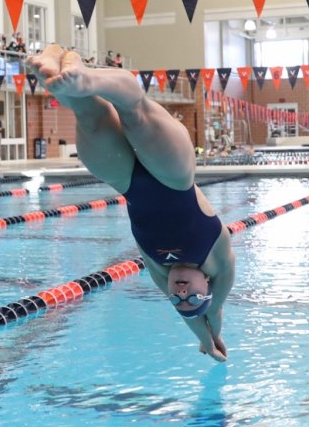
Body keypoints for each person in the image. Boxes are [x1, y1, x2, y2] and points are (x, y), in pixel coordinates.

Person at [30, 44, 236, 362]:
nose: (181, 293)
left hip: (126, 181)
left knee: (91, 118)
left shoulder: (159, 270)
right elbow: (211, 311)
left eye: (177, 299)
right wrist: (211, 339)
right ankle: (85, 77)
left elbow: (191, 313)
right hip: (175, 174)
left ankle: (57, 66)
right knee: (135, 114)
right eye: (193, 297)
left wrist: (201, 334)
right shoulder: (217, 260)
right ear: (207, 284)